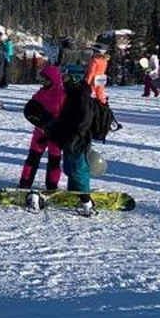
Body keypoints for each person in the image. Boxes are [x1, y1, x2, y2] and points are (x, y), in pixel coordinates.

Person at [49, 78, 99, 216]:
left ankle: (86, 200)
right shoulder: (71, 96)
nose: (64, 85)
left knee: (79, 169)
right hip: (68, 139)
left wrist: (75, 137)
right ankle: (74, 192)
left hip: (79, 141)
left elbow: (84, 121)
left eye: (66, 82)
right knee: (69, 168)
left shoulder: (82, 97)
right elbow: (64, 118)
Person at [19, 65, 65, 195]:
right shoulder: (40, 93)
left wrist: (56, 128)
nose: (43, 82)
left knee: (54, 161)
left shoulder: (62, 94)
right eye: (42, 79)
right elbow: (32, 110)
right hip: (40, 132)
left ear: (53, 79)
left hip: (56, 134)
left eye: (46, 79)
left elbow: (65, 114)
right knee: (32, 159)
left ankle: (51, 186)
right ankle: (25, 183)